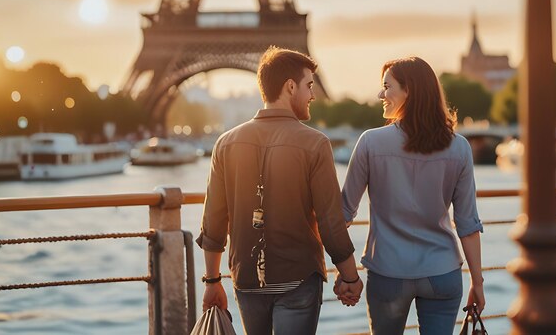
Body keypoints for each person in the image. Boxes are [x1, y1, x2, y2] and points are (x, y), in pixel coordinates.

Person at [197, 46, 363, 335]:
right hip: (298, 278)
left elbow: (213, 221)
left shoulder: (225, 143)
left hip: (247, 279)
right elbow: (330, 222)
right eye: (309, 85)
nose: (313, 94)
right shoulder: (315, 143)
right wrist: (349, 276)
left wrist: (212, 282)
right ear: (289, 86)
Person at [337, 56, 484, 335]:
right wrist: (478, 282)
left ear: (410, 91)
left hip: (389, 273)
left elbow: (342, 214)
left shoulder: (370, 142)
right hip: (443, 272)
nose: (381, 94)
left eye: (387, 86)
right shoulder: (460, 147)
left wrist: (344, 274)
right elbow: (467, 224)